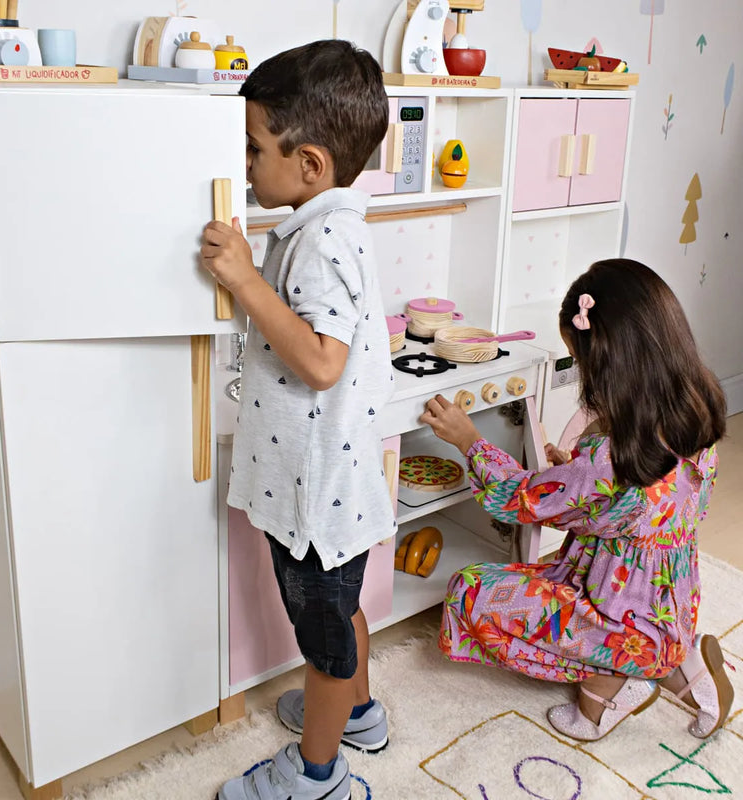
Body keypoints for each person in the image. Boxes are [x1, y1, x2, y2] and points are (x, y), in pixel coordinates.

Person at [420, 258, 734, 742]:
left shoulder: (607, 459)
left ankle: (605, 691)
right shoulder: (696, 407)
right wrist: (572, 468)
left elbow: (521, 499)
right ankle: (678, 668)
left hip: (611, 608)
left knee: (469, 590)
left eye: (580, 360)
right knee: (543, 588)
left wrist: (469, 441)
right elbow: (639, 507)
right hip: (669, 601)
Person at [201, 40, 396, 800]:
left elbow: (321, 361)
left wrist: (246, 280)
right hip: (331, 485)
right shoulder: (329, 227)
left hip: (317, 493)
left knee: (321, 639)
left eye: (254, 148)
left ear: (309, 165)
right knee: (340, 614)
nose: (247, 164)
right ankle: (359, 715)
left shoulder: (319, 240)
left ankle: (318, 774)